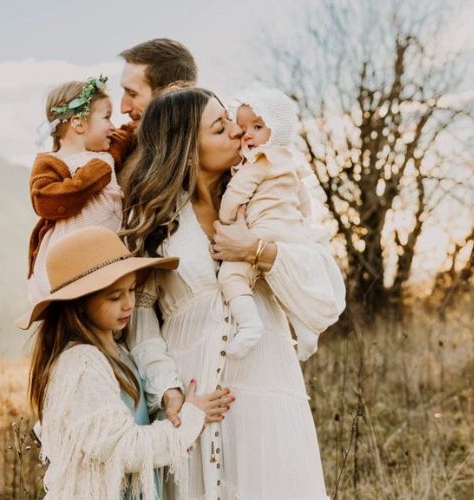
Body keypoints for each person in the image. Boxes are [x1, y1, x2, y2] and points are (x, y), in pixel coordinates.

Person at [122, 87, 346, 499]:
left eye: (234, 122)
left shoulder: (271, 192)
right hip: (195, 397)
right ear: (187, 147)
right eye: (220, 127)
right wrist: (168, 390)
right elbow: (140, 317)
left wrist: (258, 251)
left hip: (267, 386)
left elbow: (327, 292)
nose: (238, 133)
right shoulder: (154, 216)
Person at [17, 226, 235, 499]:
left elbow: (133, 424)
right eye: (114, 297)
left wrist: (173, 406)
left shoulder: (119, 353)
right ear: (79, 303)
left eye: (131, 290)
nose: (129, 304)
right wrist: (189, 421)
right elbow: (124, 447)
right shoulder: (81, 364)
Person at [219, 88, 327, 360]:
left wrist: (226, 218)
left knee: (231, 276)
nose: (247, 134)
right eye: (243, 127)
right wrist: (305, 228)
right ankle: (306, 331)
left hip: (263, 229)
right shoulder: (290, 163)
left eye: (257, 126)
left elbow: (236, 193)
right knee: (283, 284)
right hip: (290, 231)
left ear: (276, 129)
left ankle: (248, 325)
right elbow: (303, 201)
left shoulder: (260, 161)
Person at [26, 76, 134, 304]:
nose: (113, 126)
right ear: (78, 123)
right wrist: (92, 174)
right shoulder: (52, 162)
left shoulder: (106, 153)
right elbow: (45, 200)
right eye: (106, 117)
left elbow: (127, 134)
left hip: (103, 258)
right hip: (70, 260)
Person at [116, 38, 198, 184]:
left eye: (133, 94)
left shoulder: (201, 161)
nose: (124, 108)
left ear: (170, 94)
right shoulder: (122, 146)